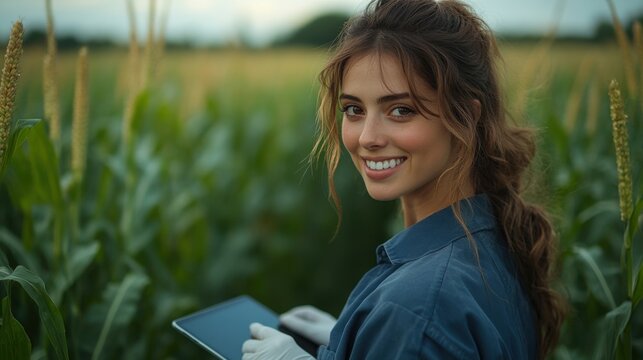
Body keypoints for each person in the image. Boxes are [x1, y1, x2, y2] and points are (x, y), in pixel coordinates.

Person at [241, 0, 566, 358]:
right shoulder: (495, 240)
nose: (367, 137)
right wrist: (354, 340)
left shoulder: (417, 309)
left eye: (400, 110)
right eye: (354, 109)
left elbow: (423, 321)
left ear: (466, 118)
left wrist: (397, 329)